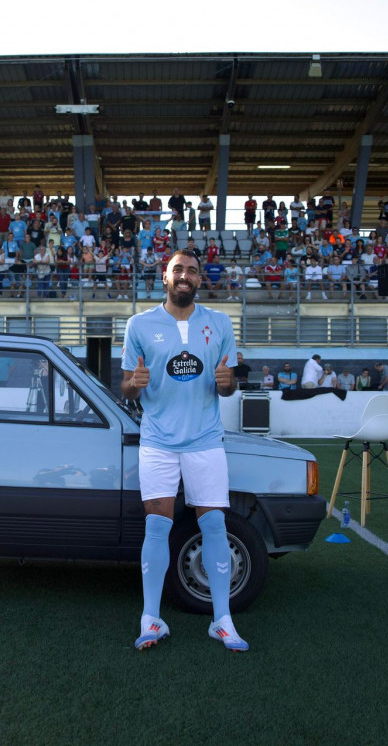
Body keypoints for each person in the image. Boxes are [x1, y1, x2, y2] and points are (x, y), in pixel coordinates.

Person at [120, 249, 247, 652]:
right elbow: (125, 385)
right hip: (157, 440)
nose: (185, 276)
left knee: (213, 525)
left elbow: (227, 386)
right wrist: (134, 383)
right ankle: (151, 619)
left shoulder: (220, 323)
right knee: (157, 525)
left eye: (192, 271)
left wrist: (228, 382)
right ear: (165, 276)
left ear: (199, 280)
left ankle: (222, 620)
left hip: (206, 439)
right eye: (179, 270)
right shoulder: (139, 325)